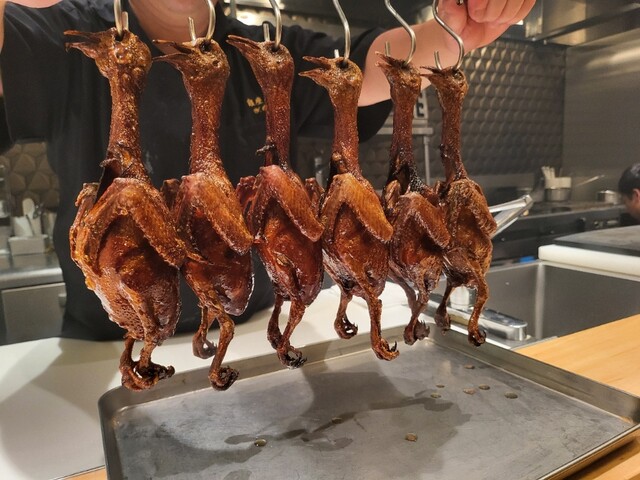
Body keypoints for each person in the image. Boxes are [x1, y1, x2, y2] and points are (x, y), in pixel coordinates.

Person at [0, 0, 534, 340]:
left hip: (258, 332)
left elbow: (372, 64)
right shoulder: (61, 36)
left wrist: (453, 30)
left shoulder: (270, 46)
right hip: (102, 351)